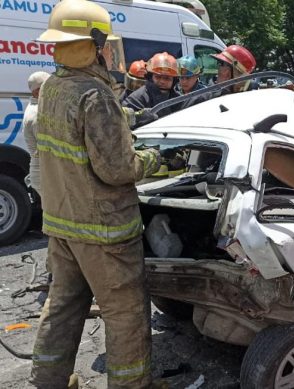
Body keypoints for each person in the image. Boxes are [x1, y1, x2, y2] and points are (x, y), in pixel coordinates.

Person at [30, 0, 161, 387]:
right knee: (126, 313)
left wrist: (127, 121)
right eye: (105, 44)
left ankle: (47, 380)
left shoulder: (53, 89)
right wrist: (150, 159)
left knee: (64, 307)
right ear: (94, 42)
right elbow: (118, 169)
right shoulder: (96, 97)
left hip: (62, 225)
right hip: (103, 231)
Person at [122, 51, 180, 118]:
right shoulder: (137, 98)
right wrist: (139, 118)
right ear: (151, 77)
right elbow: (122, 120)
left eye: (167, 78)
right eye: (158, 77)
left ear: (174, 80)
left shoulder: (179, 99)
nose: (162, 81)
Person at [22, 71, 50, 196]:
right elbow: (48, 148)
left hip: (45, 173)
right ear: (38, 92)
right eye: (50, 87)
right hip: (45, 175)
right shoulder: (37, 114)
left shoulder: (40, 108)